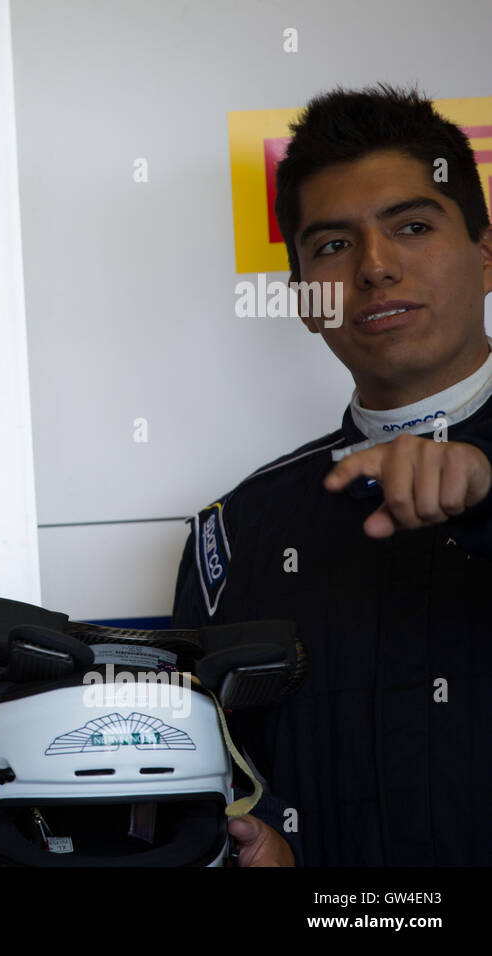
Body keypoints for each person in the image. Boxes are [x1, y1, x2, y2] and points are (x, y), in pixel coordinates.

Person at [173, 85, 492, 865]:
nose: (376, 268)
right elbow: (218, 782)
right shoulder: (240, 530)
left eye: (413, 227)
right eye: (333, 246)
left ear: (487, 256)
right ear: (307, 301)